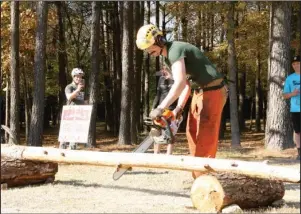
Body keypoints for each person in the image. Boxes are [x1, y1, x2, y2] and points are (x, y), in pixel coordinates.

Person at [136, 24, 228, 179]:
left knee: (206, 133)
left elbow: (178, 83)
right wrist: (177, 108)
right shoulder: (167, 59)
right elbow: (185, 84)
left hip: (213, 90)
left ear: (158, 40)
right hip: (199, 91)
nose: (148, 51)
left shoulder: (175, 49)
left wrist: (160, 107)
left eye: (149, 47)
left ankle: (204, 177)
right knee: (191, 131)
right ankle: (198, 174)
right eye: (145, 49)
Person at [151, 66, 178, 155]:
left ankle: (168, 155)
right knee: (157, 132)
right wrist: (153, 108)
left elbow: (180, 95)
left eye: (166, 70)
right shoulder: (161, 79)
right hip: (160, 109)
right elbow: (158, 94)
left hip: (172, 109)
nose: (163, 72)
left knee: (170, 134)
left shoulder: (177, 79)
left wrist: (177, 110)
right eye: (162, 70)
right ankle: (156, 154)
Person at [59, 68, 88, 150]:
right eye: (77, 77)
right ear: (73, 77)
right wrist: (78, 90)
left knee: (75, 138)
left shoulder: (83, 88)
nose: (79, 78)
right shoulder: (69, 87)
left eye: (81, 77)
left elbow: (85, 101)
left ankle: (72, 154)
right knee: (65, 138)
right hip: (70, 115)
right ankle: (61, 154)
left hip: (79, 115)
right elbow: (69, 97)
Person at [283, 55, 300, 160]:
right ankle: (299, 152)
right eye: (294, 64)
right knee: (298, 131)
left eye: (298, 63)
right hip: (296, 109)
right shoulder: (290, 78)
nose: (296, 65)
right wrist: (292, 94)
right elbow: (285, 95)